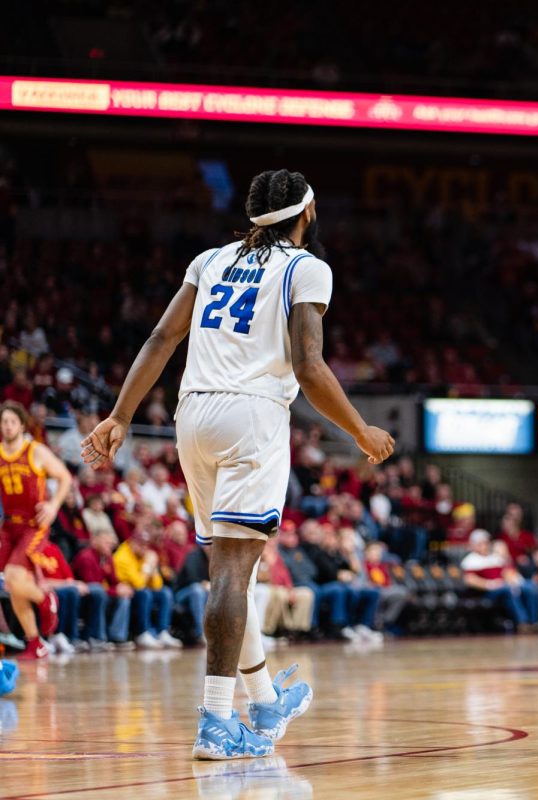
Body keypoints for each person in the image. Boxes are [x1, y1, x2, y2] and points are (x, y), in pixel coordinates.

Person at [81, 169, 395, 759]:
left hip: (191, 413)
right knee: (231, 570)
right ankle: (215, 720)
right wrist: (361, 430)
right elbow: (309, 365)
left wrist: (120, 414)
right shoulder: (307, 267)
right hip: (252, 414)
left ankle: (264, 697)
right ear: (306, 213)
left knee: (234, 572)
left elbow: (159, 337)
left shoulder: (210, 258)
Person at [0, 401, 72, 660]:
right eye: (3, 422)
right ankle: (35, 643)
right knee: (14, 585)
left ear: (21, 425)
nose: (7, 426)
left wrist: (53, 505)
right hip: (9, 526)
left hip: (34, 524)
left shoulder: (35, 451)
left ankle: (46, 600)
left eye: (11, 421)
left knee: (12, 575)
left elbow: (64, 476)